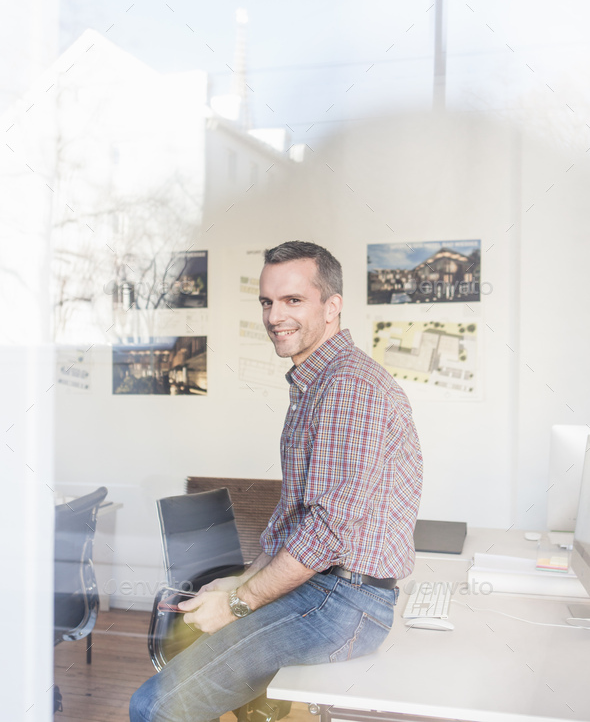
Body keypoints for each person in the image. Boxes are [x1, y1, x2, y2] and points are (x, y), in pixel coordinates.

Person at [130, 240, 422, 722]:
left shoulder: (348, 387)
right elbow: (297, 520)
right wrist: (241, 580)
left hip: (343, 603)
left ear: (332, 307)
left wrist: (238, 603)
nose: (273, 315)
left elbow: (326, 532)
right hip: (328, 591)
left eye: (292, 300)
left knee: (153, 707)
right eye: (267, 301)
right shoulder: (317, 383)